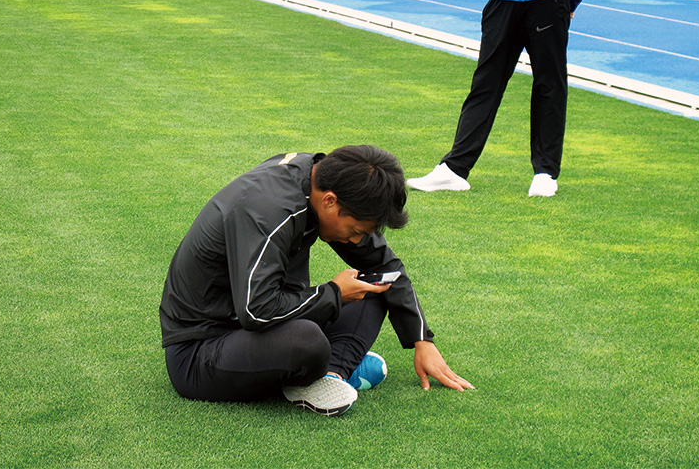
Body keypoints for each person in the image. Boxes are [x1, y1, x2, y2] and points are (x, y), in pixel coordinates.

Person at [160, 145, 474, 416]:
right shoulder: (268, 209)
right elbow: (256, 311)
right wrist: (334, 293)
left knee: (377, 286)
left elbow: (384, 263)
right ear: (330, 202)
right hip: (201, 352)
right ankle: (319, 370)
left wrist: (422, 340)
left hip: (259, 327)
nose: (354, 242)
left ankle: (332, 375)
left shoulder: (319, 179)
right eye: (354, 231)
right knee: (306, 341)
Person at [407, 0, 584, 197]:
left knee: (549, 88)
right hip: (503, 3)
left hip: (547, 3)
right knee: (484, 86)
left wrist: (571, 2)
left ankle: (545, 173)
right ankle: (454, 168)